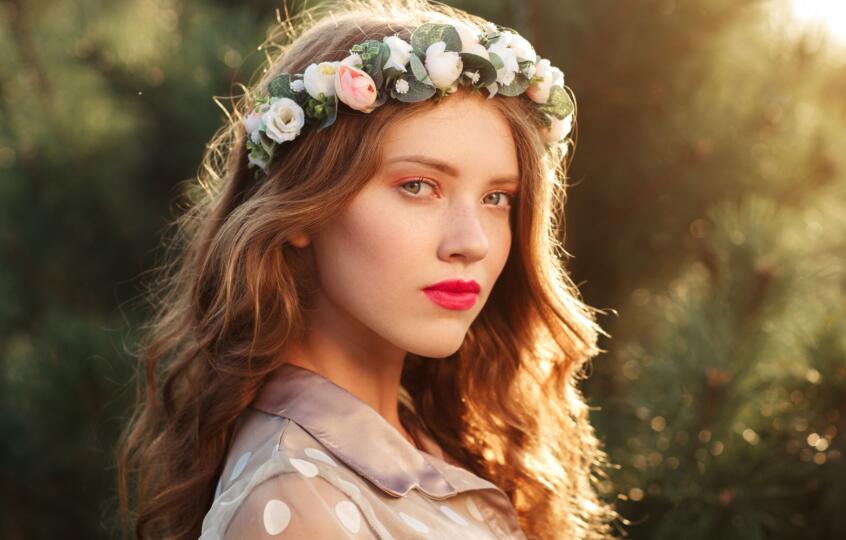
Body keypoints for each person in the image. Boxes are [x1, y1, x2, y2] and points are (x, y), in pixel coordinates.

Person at [115, 0, 620, 538]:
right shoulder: (297, 503)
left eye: (497, 197)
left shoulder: (434, 438)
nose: (471, 243)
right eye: (417, 187)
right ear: (301, 210)